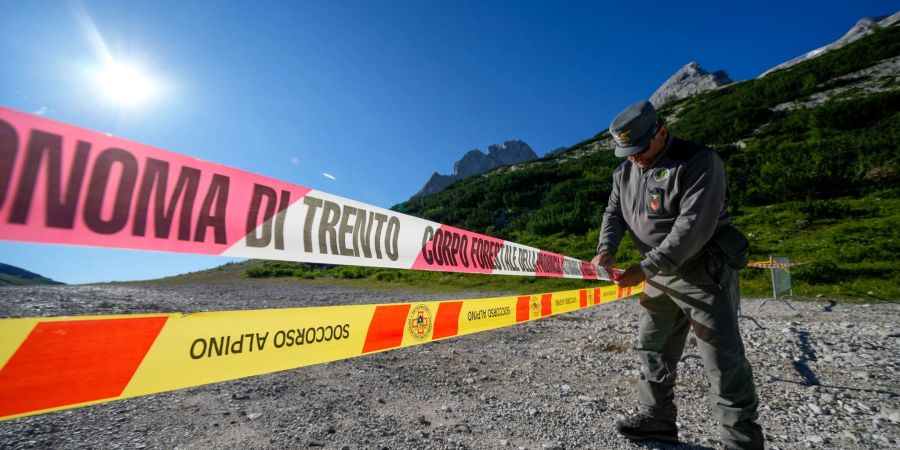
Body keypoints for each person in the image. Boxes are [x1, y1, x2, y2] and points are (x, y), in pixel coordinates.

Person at [592, 100, 764, 449]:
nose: (634, 157)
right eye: (627, 151)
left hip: (702, 273)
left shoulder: (699, 161)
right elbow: (614, 213)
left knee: (722, 361)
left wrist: (644, 268)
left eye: (639, 149)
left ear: (662, 132)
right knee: (652, 348)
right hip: (657, 278)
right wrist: (606, 247)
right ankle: (657, 419)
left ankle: (741, 442)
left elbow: (693, 227)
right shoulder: (624, 172)